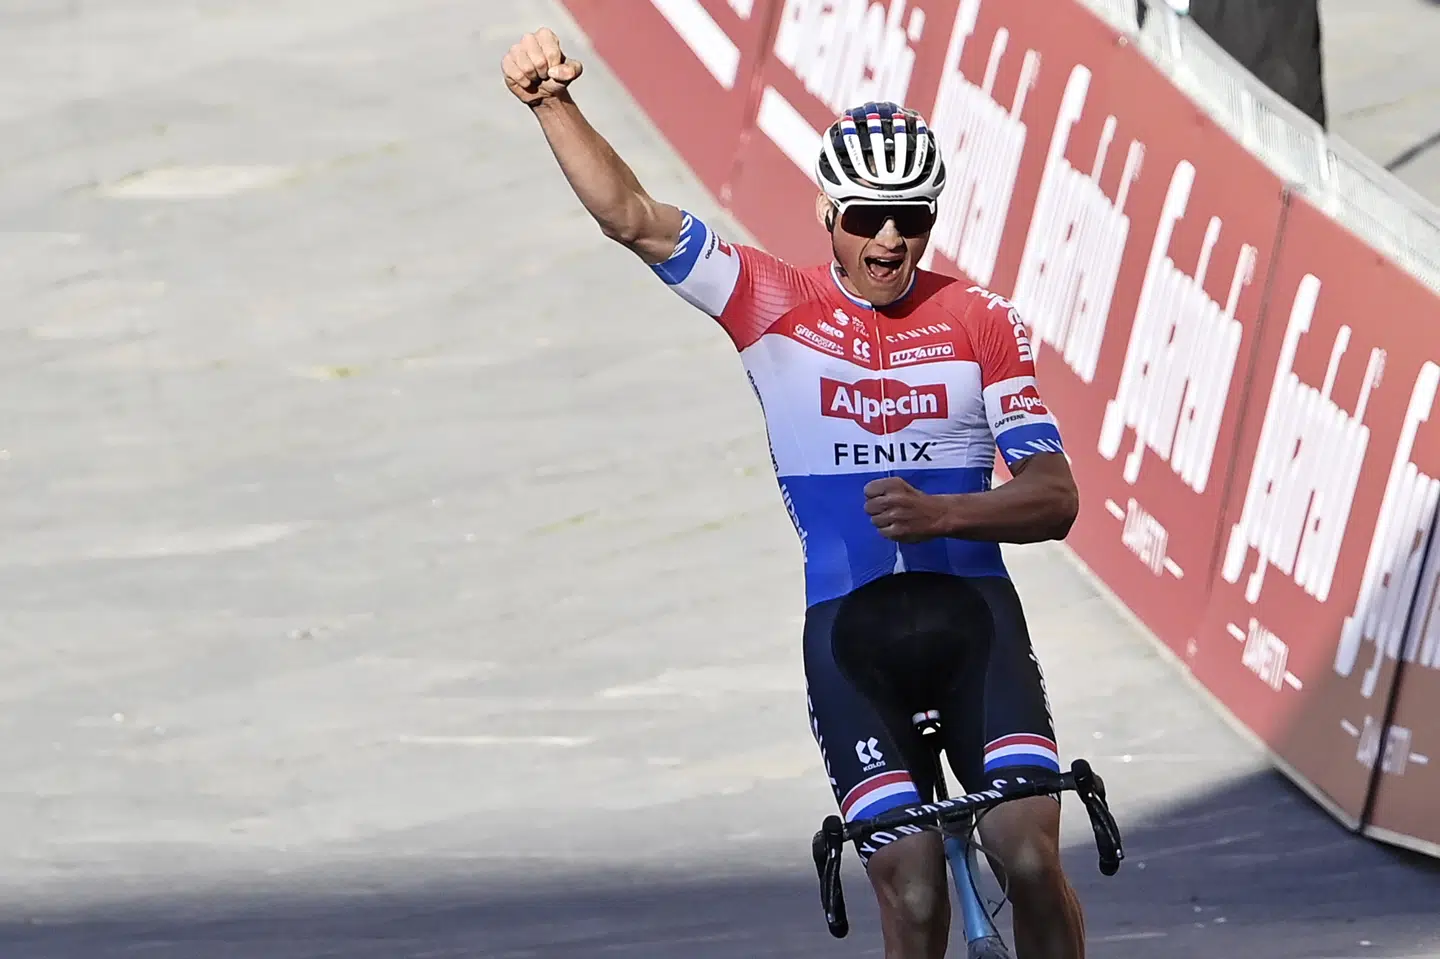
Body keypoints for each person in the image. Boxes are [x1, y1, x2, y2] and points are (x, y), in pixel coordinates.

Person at [502, 26, 1087, 959]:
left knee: (1028, 854)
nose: (888, 237)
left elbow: (1056, 497)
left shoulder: (981, 321)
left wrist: (948, 515)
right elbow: (635, 219)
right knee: (915, 893)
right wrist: (550, 103)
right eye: (864, 216)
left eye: (910, 216)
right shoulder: (769, 300)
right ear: (825, 211)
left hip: (975, 622)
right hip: (852, 637)